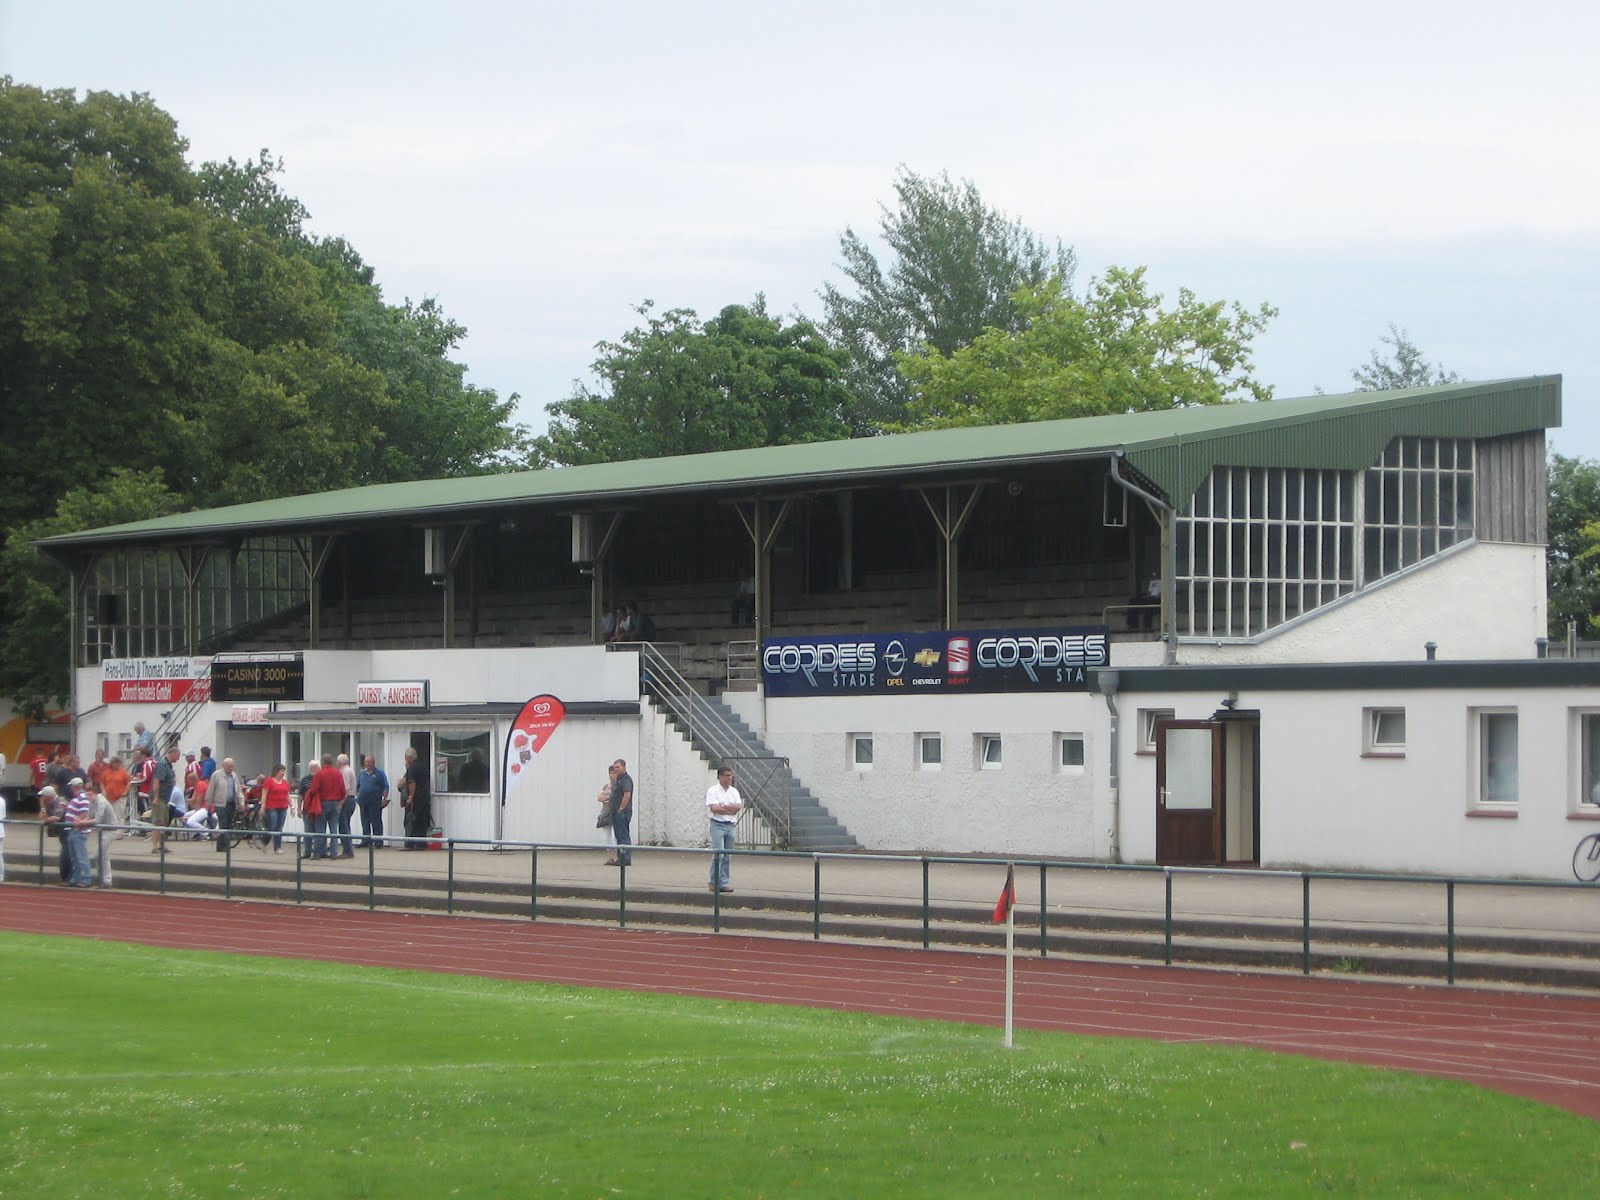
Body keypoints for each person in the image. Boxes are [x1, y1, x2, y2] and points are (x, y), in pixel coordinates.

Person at [705, 765, 742, 894]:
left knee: (727, 855)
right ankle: (714, 882)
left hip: (730, 825)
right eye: (727, 775)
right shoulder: (713, 791)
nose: (729, 778)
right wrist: (729, 810)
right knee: (719, 854)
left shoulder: (734, 791)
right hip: (717, 824)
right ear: (720, 777)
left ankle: (724, 883)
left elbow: (738, 806)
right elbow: (714, 808)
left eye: (731, 775)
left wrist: (723, 807)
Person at [303, 755, 347, 860]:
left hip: (322, 803)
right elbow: (343, 790)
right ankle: (334, 853)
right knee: (334, 829)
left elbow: (313, 790)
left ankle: (317, 853)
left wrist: (312, 799)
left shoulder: (320, 774)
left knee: (320, 829)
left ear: (322, 762)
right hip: (335, 803)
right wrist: (339, 799)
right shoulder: (338, 773)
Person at [209, 758, 246, 852]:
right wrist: (209, 803)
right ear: (224, 766)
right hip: (220, 804)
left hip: (231, 803)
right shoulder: (216, 775)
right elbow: (211, 789)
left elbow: (238, 790)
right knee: (223, 824)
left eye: (232, 766)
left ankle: (222, 844)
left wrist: (241, 803)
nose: (231, 768)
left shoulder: (234, 775)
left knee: (229, 824)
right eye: (229, 766)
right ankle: (223, 846)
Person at [62, 778, 93, 887]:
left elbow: (84, 814)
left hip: (78, 830)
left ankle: (86, 879)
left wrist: (78, 824)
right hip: (73, 830)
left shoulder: (82, 797)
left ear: (74, 786)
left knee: (81, 856)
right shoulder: (78, 797)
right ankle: (76, 879)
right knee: (74, 857)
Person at [355, 756, 389, 849]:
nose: (367, 764)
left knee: (376, 822)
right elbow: (358, 786)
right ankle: (366, 841)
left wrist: (384, 798)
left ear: (374, 762)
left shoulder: (380, 773)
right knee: (364, 821)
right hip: (363, 801)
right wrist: (358, 797)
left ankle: (378, 841)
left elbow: (385, 786)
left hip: (375, 801)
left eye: (369, 762)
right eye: (366, 762)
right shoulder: (362, 774)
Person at [400, 747, 431, 850]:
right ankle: (421, 844)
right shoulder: (423, 766)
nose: (405, 760)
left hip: (416, 799)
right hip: (425, 797)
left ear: (410, 757)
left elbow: (412, 783)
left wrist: (410, 797)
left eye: (406, 757)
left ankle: (409, 844)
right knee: (422, 821)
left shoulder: (412, 768)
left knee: (410, 820)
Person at [608, 758, 634, 867]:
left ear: (624, 767)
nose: (616, 769)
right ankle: (620, 858)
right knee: (618, 836)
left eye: (618, 767)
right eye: (614, 768)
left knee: (623, 835)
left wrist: (621, 809)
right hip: (615, 812)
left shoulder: (626, 780)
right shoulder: (618, 780)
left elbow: (627, 795)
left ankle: (626, 858)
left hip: (622, 813)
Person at [90, 783, 117, 886]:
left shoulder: (101, 801)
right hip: (102, 830)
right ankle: (104, 880)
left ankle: (105, 879)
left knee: (98, 854)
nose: (88, 797)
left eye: (90, 794)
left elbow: (97, 819)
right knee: (103, 855)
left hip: (111, 830)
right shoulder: (92, 802)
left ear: (95, 793)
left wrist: (83, 822)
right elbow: (89, 816)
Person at [261, 764, 291, 853]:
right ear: (277, 771)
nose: (283, 773)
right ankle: (264, 842)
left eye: (284, 771)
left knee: (279, 827)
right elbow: (264, 795)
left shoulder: (285, 783)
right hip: (271, 807)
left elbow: (287, 796)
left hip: (283, 807)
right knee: (272, 826)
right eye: (282, 771)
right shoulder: (269, 782)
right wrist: (263, 807)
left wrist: (292, 806)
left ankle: (278, 847)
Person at [101, 755, 132, 833]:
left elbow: (128, 783)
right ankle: (111, 830)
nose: (117, 764)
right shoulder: (106, 772)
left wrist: (126, 792)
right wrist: (103, 791)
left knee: (119, 815)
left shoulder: (123, 772)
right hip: (108, 797)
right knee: (110, 814)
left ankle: (119, 832)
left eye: (118, 763)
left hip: (120, 797)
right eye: (115, 763)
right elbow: (102, 783)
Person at [335, 753, 358, 857]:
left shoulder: (345, 771)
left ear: (340, 762)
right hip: (351, 799)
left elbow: (346, 788)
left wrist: (341, 801)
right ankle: (348, 850)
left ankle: (348, 851)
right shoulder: (350, 770)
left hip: (347, 800)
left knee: (343, 826)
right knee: (345, 824)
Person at [597, 765, 618, 865]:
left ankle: (617, 857)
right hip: (606, 813)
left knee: (615, 837)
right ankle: (611, 858)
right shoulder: (606, 786)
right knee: (606, 837)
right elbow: (599, 797)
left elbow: (616, 798)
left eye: (613, 773)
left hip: (615, 813)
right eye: (610, 773)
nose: (611, 775)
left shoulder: (619, 785)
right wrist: (607, 798)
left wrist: (608, 798)